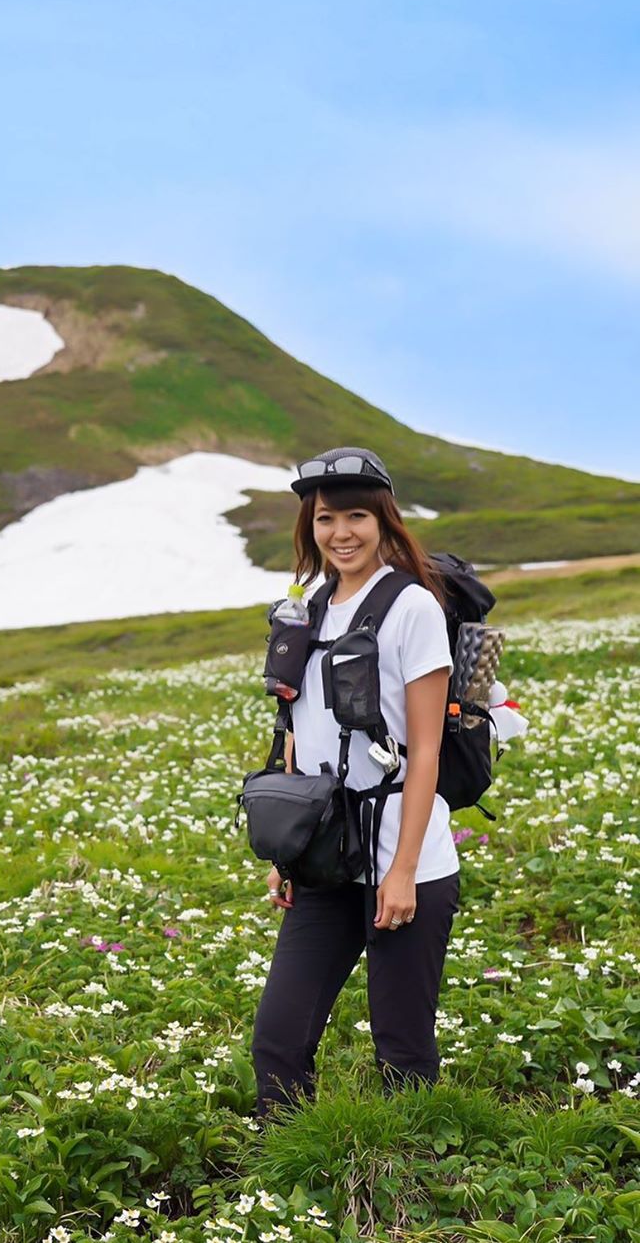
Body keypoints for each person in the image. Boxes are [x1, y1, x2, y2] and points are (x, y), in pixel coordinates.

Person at [251, 447, 461, 1119]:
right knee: (278, 1042)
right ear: (309, 527)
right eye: (325, 518)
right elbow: (295, 733)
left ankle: (409, 1191)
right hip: (322, 855)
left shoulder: (412, 607)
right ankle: (283, 1174)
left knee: (401, 1050)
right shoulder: (305, 607)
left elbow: (424, 750)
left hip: (407, 859)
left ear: (384, 521)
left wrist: (400, 872)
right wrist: (287, 854)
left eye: (356, 516)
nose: (341, 532)